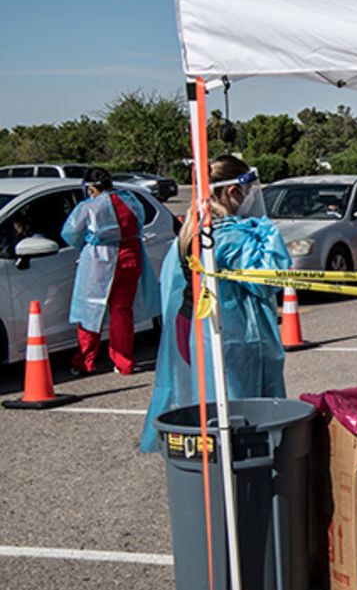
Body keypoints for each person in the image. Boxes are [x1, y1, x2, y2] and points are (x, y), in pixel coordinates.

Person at [141, 156, 290, 453]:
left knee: (206, 405)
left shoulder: (194, 226)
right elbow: (266, 281)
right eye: (248, 191)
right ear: (234, 191)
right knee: (238, 415)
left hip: (191, 324)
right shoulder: (229, 235)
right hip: (227, 334)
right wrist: (269, 235)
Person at [61, 168, 160, 376]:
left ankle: (85, 361)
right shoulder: (130, 200)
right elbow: (139, 222)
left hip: (100, 261)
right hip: (131, 258)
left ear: (92, 187)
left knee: (90, 311)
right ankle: (124, 363)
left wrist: (85, 245)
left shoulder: (89, 207)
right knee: (122, 312)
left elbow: (70, 233)